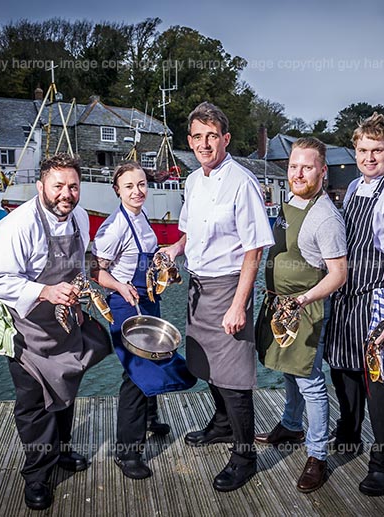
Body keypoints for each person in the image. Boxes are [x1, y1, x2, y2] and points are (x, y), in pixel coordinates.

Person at [0, 153, 111, 511]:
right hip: (28, 329)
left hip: (64, 322)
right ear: (41, 186)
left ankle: (60, 452)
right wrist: (45, 291)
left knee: (66, 389)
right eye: (58, 186)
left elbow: (80, 264)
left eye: (73, 186)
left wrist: (93, 282)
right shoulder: (16, 225)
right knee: (33, 404)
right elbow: (0, 282)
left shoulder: (81, 218)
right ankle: (37, 475)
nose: (66, 194)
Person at [163, 101, 274, 492]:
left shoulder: (242, 182)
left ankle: (245, 455)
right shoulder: (193, 181)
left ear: (225, 138)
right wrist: (174, 251)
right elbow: (189, 232)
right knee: (204, 363)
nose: (205, 143)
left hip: (229, 286)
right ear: (190, 140)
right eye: (198, 136)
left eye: (213, 136)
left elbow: (254, 249)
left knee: (234, 377)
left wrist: (239, 304)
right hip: (198, 284)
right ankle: (222, 424)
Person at [324, 113, 384, 497]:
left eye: (377, 150)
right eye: (363, 150)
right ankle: (349, 435)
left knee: (380, 383)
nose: (369, 157)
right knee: (345, 373)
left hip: (377, 300)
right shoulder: (352, 190)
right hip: (347, 298)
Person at [89, 161, 196, 480]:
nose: (137, 191)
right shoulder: (113, 227)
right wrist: (120, 285)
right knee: (136, 373)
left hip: (148, 299)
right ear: (117, 190)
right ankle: (127, 453)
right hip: (125, 303)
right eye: (129, 186)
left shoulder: (141, 218)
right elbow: (95, 271)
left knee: (158, 357)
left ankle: (150, 420)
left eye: (141, 184)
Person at [254, 137, 347, 493]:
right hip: (279, 303)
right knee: (287, 372)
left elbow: (339, 274)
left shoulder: (325, 217)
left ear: (322, 171)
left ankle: (318, 455)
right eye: (294, 166)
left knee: (310, 380)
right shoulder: (288, 203)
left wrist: (302, 300)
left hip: (305, 308)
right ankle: (291, 425)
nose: (298, 173)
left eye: (307, 167)